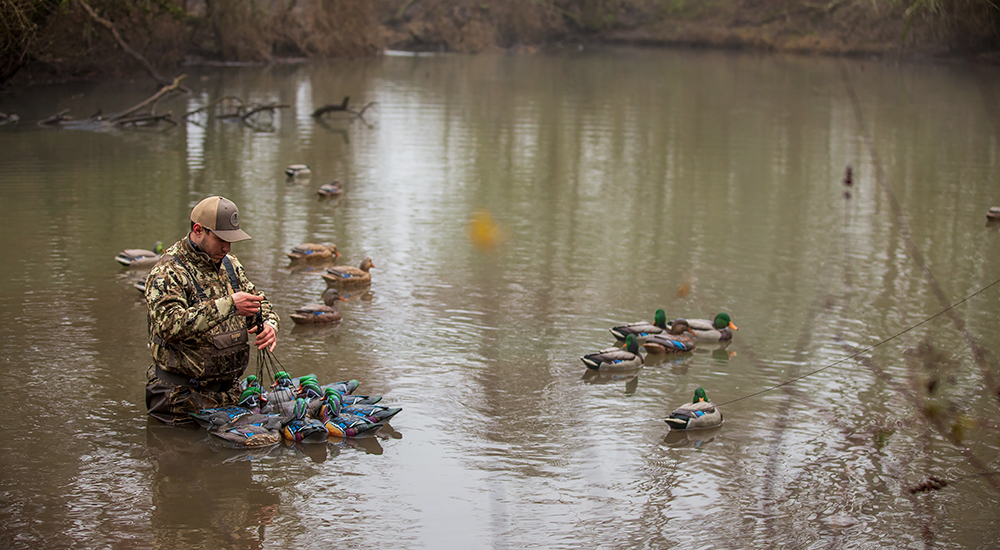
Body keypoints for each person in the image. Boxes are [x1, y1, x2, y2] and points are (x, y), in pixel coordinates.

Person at [144, 195, 279, 425]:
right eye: (221, 240)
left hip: (229, 397)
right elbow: (169, 326)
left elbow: (260, 303)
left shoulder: (230, 264)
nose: (227, 248)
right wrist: (229, 305)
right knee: (186, 457)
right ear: (198, 230)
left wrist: (269, 324)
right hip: (180, 401)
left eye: (231, 241)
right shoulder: (168, 271)